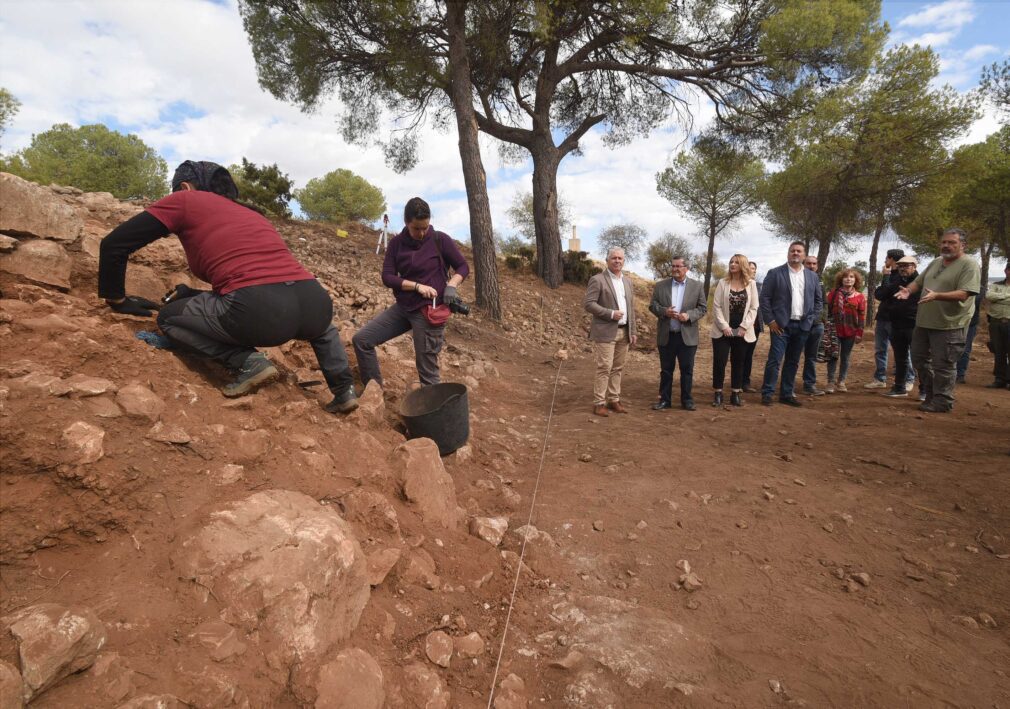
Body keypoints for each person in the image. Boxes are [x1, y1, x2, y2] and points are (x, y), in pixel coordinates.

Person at [98, 160, 360, 413]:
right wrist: (193, 294)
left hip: (261, 311)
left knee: (168, 318)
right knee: (320, 326)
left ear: (185, 188)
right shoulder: (252, 214)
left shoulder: (185, 200)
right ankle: (344, 391)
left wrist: (116, 298)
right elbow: (265, 276)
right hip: (315, 302)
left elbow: (113, 245)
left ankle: (247, 362)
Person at [352, 197, 469, 389]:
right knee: (362, 340)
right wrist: (416, 286)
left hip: (430, 313)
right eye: (417, 228)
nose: (422, 233)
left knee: (427, 373)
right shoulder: (397, 243)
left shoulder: (440, 239)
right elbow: (388, 277)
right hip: (404, 307)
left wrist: (452, 285)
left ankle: (434, 416)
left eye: (426, 227)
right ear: (407, 222)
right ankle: (373, 393)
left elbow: (463, 266)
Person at [896, 228, 981, 413]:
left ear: (962, 245)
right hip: (924, 321)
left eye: (952, 242)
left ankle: (943, 401)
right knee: (918, 359)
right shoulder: (936, 262)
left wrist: (937, 296)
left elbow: (965, 293)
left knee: (944, 364)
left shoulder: (969, 265)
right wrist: (908, 290)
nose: (946, 245)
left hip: (950, 324)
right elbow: (918, 282)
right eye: (944, 242)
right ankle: (933, 393)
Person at [759, 241, 824, 406]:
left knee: (793, 361)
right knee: (775, 360)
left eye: (799, 251)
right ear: (788, 253)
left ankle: (787, 394)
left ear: (803, 255)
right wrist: (771, 321)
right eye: (793, 251)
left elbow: (818, 301)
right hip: (780, 326)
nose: (796, 253)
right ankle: (768, 393)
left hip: (802, 326)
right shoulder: (775, 273)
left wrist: (810, 320)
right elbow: (765, 299)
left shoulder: (812, 276)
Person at [583, 247, 638, 416]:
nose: (617, 261)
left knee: (618, 368)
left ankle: (613, 399)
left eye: (620, 258)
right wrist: (611, 313)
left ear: (624, 261)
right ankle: (599, 403)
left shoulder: (628, 282)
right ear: (607, 260)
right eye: (613, 258)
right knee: (604, 367)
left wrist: (633, 330)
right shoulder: (598, 279)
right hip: (606, 331)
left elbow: (631, 308)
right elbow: (589, 304)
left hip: (624, 331)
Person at [648, 255, 706, 411]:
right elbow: (653, 306)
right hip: (667, 335)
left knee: (687, 370)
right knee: (666, 370)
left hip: (687, 336)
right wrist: (664, 312)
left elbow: (702, 308)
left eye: (678, 266)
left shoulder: (697, 286)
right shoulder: (660, 286)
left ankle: (687, 400)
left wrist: (689, 316)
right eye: (673, 266)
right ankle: (664, 400)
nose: (674, 269)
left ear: (686, 268)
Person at [710, 254, 759, 407]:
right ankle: (718, 393)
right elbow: (716, 307)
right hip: (722, 331)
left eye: (736, 262)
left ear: (742, 265)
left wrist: (744, 326)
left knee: (738, 362)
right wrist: (724, 326)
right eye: (731, 261)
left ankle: (735, 393)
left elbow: (754, 307)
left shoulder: (751, 284)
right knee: (720, 361)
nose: (732, 264)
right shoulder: (722, 283)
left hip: (742, 331)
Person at [866, 248, 914, 390]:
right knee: (880, 350)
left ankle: (908, 379)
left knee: (903, 351)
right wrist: (885, 279)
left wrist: (886, 277)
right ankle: (880, 378)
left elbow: (885, 293)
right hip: (882, 318)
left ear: (892, 259)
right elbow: (879, 294)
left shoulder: (902, 277)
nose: (885, 261)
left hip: (896, 320)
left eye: (887, 258)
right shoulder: (889, 275)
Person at [876, 255, 921, 398]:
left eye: (906, 266)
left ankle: (925, 390)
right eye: (900, 266)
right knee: (900, 358)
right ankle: (899, 388)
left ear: (914, 266)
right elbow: (881, 294)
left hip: (914, 326)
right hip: (896, 325)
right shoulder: (896, 281)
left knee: (920, 359)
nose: (903, 268)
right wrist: (886, 277)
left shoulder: (921, 283)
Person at [824, 268, 867, 393]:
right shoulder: (833, 294)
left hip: (851, 331)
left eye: (852, 277)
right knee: (833, 356)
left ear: (856, 280)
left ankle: (841, 381)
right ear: (841, 279)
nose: (849, 279)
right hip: (834, 330)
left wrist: (860, 333)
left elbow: (862, 316)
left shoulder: (859, 297)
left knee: (845, 357)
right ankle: (830, 382)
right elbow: (827, 311)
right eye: (846, 277)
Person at [800, 254, 826, 396]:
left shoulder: (820, 281)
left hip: (816, 325)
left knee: (811, 356)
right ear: (804, 264)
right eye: (808, 263)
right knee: (793, 356)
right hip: (797, 325)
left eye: (814, 264)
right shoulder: (796, 279)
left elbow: (823, 303)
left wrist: (819, 320)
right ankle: (788, 385)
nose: (811, 266)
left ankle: (809, 384)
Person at [984, 263, 1010, 389]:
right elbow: (989, 296)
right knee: (999, 351)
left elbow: (994, 298)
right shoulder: (996, 284)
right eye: (1009, 269)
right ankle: (1000, 379)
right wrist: (1007, 296)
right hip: (995, 323)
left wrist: (998, 298)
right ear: (1006, 271)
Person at [741, 261, 763, 392]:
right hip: (741, 325)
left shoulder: (760, 286)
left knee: (749, 355)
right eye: (749, 268)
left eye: (753, 268)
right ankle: (737, 381)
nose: (751, 270)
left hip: (755, 326)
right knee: (740, 354)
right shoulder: (739, 284)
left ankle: (745, 382)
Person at [955, 294, 981, 384]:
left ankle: (960, 374)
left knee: (965, 349)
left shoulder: (978, 288)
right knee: (950, 347)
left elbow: (973, 300)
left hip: (970, 323)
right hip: (953, 321)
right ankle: (950, 373)